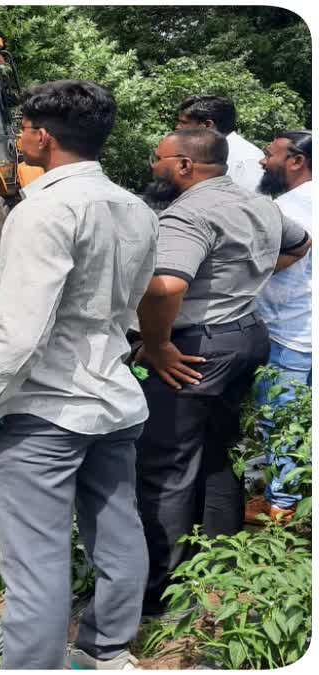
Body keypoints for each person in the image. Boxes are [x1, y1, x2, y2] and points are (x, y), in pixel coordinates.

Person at [0, 80, 157, 670]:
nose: (19, 140)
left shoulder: (43, 209)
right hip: (114, 400)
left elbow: (21, 331)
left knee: (36, 561)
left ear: (43, 136)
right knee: (117, 531)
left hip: (45, 410)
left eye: (22, 130)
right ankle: (109, 650)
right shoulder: (135, 209)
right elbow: (134, 303)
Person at [135, 127, 311, 620]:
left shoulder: (188, 213)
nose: (154, 165)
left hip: (197, 347)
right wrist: (249, 274)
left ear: (186, 166)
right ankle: (220, 561)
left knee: (165, 466)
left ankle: (159, 593)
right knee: (215, 450)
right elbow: (301, 244)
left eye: (159, 158)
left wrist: (157, 345)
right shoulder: (256, 202)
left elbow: (165, 286)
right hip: (248, 336)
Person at [246, 130, 313, 524]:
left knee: (281, 426)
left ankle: (281, 509)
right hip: (307, 328)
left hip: (288, 333)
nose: (262, 161)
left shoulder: (286, 209)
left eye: (270, 154)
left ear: (296, 161)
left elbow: (270, 262)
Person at [176, 95, 265, 193]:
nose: (178, 127)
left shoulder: (246, 159)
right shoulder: (204, 153)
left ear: (207, 125)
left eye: (184, 123)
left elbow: (256, 205)